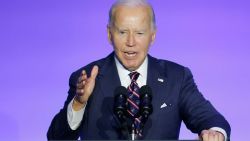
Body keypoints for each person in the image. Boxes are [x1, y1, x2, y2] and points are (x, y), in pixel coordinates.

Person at [47, 0, 230, 140]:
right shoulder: (86, 77)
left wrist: (215, 133)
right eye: (122, 32)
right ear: (109, 34)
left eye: (140, 33)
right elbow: (56, 137)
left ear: (153, 36)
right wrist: (79, 103)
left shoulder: (177, 77)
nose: (131, 42)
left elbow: (211, 119)